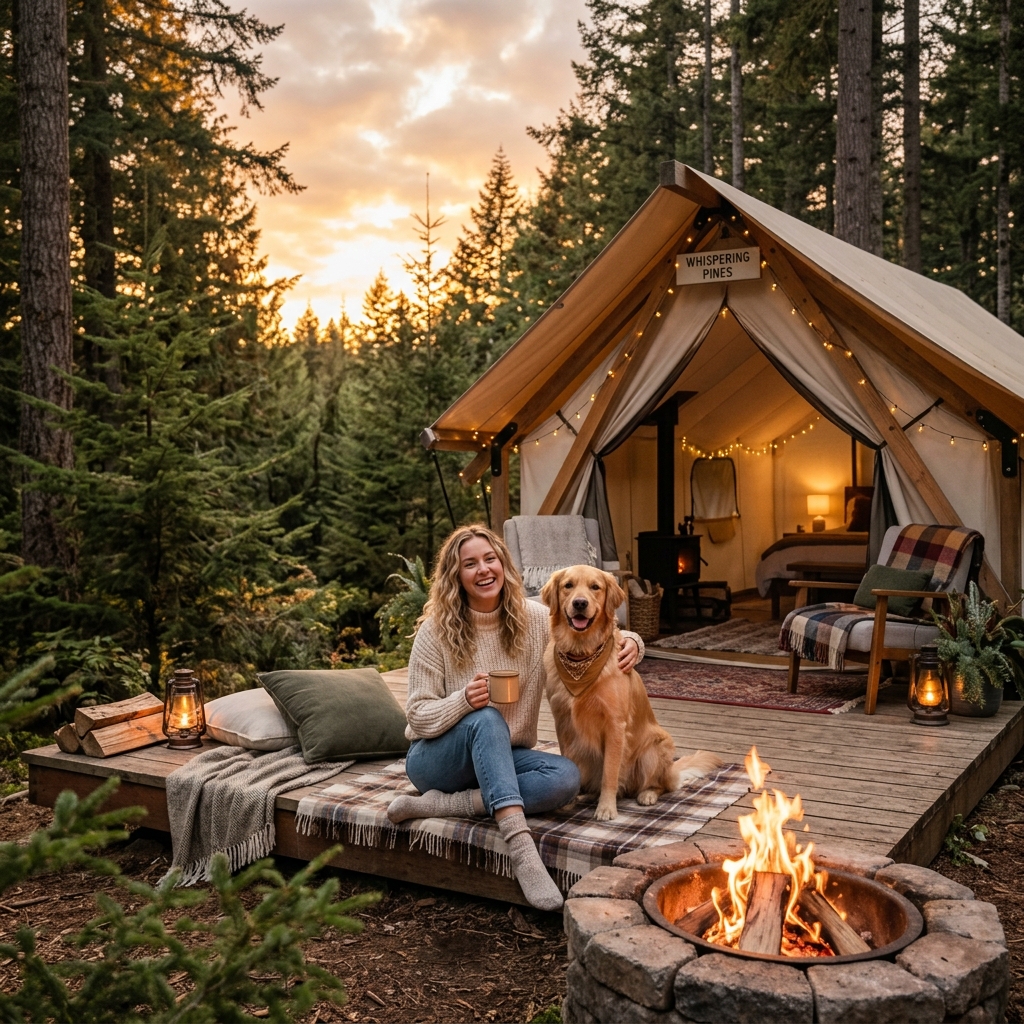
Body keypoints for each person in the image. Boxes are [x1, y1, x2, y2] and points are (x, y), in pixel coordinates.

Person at [387, 524, 644, 911]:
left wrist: (632, 642)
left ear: (504, 565)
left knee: (567, 778)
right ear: (455, 575)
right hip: (436, 760)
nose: (484, 569)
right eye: (470, 563)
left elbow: (593, 629)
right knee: (488, 718)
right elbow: (418, 717)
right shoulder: (435, 631)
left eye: (490, 559)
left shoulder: (536, 619)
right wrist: (462, 702)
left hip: (502, 758)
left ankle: (442, 806)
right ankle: (522, 851)